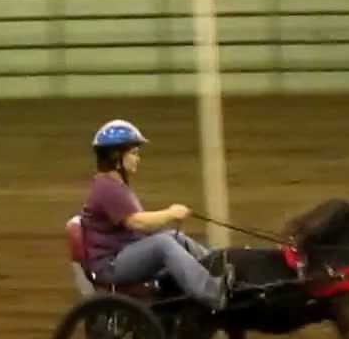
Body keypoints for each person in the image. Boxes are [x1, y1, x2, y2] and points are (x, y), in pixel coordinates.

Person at [80, 118, 234, 312]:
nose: (138, 159)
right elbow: (137, 222)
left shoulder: (112, 185)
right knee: (164, 244)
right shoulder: (107, 188)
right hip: (110, 265)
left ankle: (216, 264)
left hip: (120, 254)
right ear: (115, 155)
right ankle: (213, 293)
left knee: (172, 238)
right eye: (134, 153)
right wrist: (171, 213)